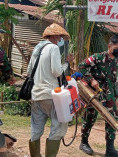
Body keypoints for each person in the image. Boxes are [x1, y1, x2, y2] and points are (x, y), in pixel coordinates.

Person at [27, 23, 74, 157]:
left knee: (36, 128)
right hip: (51, 95)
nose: (60, 40)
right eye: (59, 37)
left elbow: (29, 71)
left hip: (36, 94)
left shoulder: (37, 47)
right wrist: (66, 63)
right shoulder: (53, 48)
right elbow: (56, 71)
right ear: (53, 36)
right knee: (58, 126)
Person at [78, 36, 118, 157]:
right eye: (116, 48)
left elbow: (112, 80)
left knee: (112, 119)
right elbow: (82, 66)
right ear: (109, 46)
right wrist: (91, 79)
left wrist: (114, 97)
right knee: (90, 118)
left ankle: (110, 150)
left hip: (108, 96)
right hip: (94, 95)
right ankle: (84, 143)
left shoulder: (116, 61)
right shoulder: (98, 57)